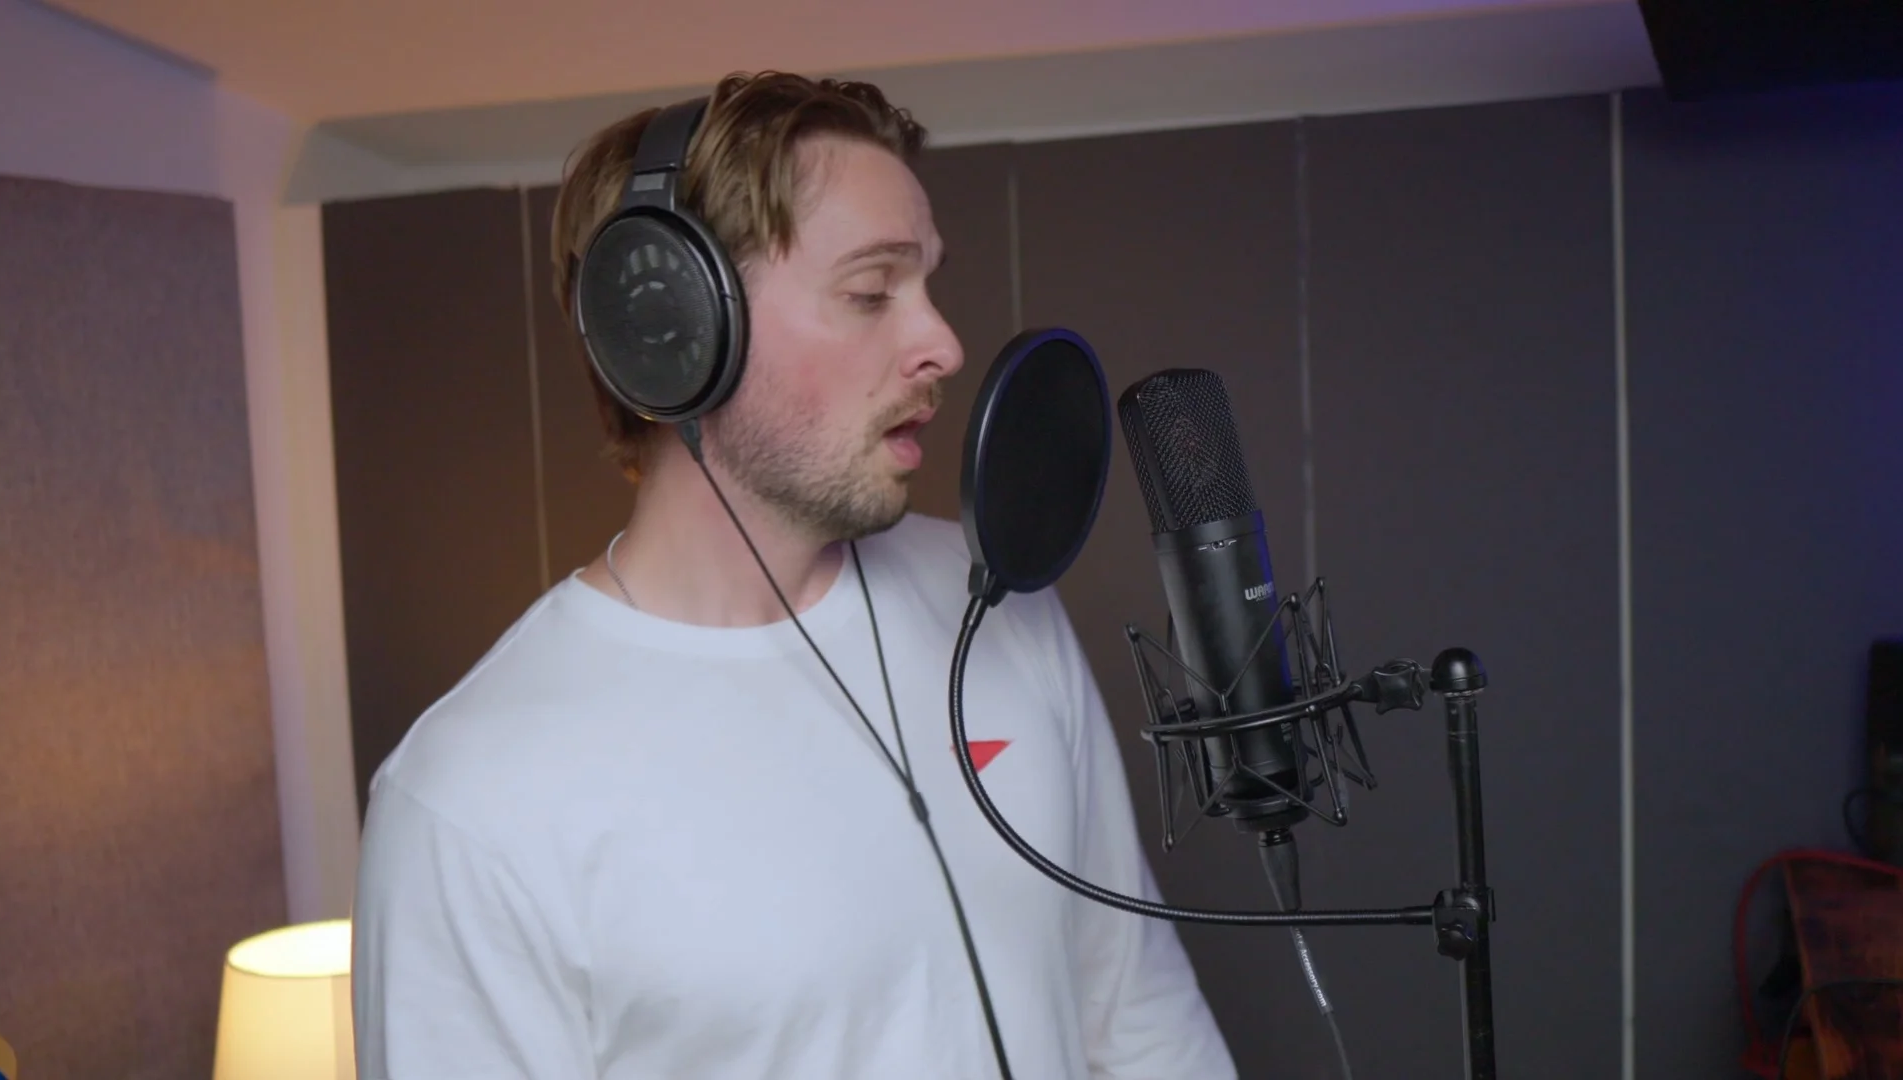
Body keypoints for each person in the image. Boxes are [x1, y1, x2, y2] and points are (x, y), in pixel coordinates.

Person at [349, 70, 1237, 1080]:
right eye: (871, 292)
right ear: (676, 334)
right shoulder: (470, 801)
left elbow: (1136, 1013)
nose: (942, 343)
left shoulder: (992, 595)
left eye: (929, 284)